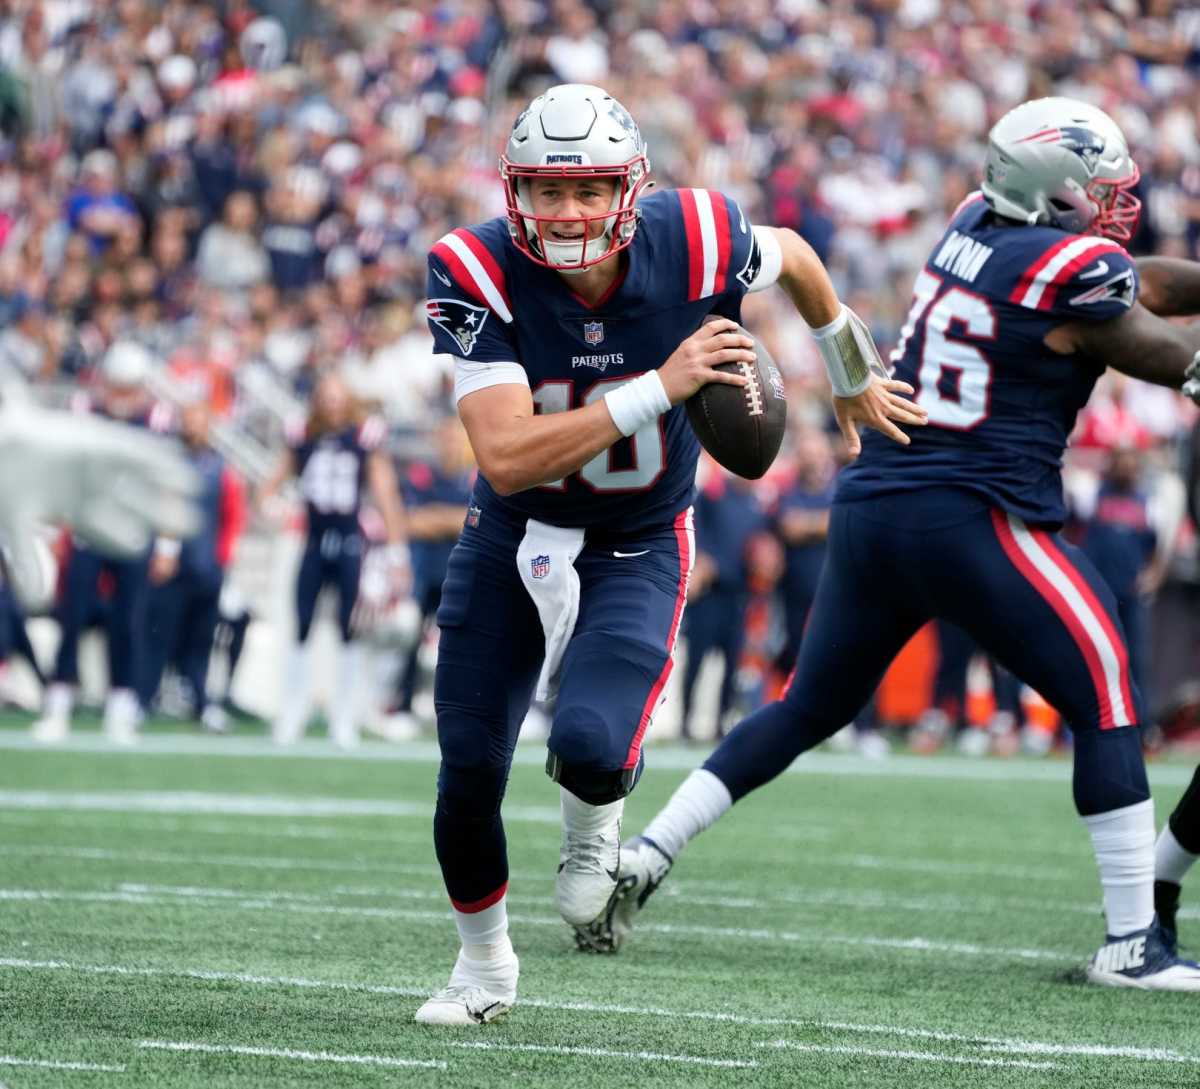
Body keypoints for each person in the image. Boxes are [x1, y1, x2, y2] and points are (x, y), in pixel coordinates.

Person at [614, 97, 1200, 991]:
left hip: (877, 504)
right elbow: (1142, 336)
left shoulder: (974, 223)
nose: (1119, 205)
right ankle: (1132, 942)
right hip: (970, 512)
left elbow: (1138, 282)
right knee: (1109, 689)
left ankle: (651, 848)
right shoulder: (1066, 266)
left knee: (808, 705)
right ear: (1057, 195)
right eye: (1103, 192)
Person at [414, 82, 922, 1026]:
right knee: (468, 767)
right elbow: (508, 454)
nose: (568, 213)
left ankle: (594, 828)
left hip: (637, 536)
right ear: (514, 191)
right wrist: (660, 383)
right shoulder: (475, 264)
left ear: (630, 188)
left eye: (591, 191)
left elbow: (802, 260)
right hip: (513, 530)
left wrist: (847, 367)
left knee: (593, 746)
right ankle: (484, 969)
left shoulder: (693, 236)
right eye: (547, 192)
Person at [32, 342, 178, 745]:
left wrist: (167, 544)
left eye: (129, 387)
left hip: (133, 531)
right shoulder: (86, 414)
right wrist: (52, 527)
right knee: (72, 615)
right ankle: (58, 704)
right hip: (88, 527)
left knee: (128, 621)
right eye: (117, 386)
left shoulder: (158, 421)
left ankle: (121, 708)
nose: (122, 396)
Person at [259, 372, 406, 747]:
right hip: (312, 538)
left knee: (349, 627)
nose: (332, 404)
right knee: (302, 623)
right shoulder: (301, 434)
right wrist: (271, 505)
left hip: (349, 540)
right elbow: (271, 483)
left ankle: (345, 715)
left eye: (338, 397)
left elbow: (385, 493)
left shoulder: (364, 437)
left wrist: (396, 551)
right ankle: (293, 710)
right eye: (326, 397)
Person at [142, 402, 245, 732]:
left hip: (205, 566)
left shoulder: (220, 468)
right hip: (170, 566)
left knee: (201, 641)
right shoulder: (167, 462)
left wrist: (224, 560)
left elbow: (231, 518)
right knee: (159, 635)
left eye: (199, 422)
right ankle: (144, 697)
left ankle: (202, 702)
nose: (193, 429)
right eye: (189, 421)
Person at [392, 417, 473, 734]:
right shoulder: (423, 475)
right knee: (412, 640)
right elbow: (408, 521)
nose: (451, 444)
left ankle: (463, 709)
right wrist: (452, 519)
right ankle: (403, 706)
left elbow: (476, 521)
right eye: (446, 437)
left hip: (464, 574)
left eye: (456, 438)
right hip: (427, 573)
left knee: (465, 646)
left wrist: (436, 518)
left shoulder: (475, 477)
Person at [679, 467, 770, 740]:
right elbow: (694, 527)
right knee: (697, 661)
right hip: (710, 594)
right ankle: (685, 722)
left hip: (739, 595)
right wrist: (704, 561)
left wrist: (765, 564)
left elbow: (764, 546)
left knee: (732, 664)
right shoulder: (714, 494)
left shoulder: (758, 505)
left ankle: (722, 722)